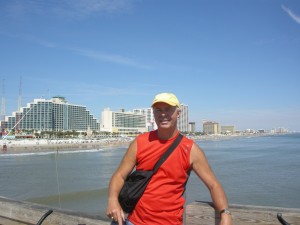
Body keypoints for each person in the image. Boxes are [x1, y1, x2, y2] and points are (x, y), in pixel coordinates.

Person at [106, 92, 232, 225]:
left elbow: (213, 185)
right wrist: (112, 200)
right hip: (133, 221)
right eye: (158, 110)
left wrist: (225, 213)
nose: (163, 114)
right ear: (153, 114)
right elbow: (119, 175)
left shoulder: (190, 150)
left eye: (168, 109)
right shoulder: (140, 142)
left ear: (178, 113)